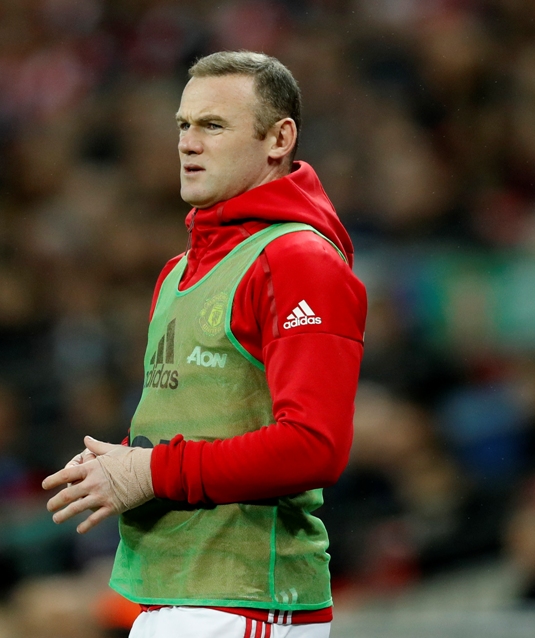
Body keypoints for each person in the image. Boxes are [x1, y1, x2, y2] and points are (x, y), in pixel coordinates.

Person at [42, 51, 367, 638]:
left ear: (279, 139)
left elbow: (315, 446)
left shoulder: (297, 260)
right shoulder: (178, 272)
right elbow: (212, 419)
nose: (188, 144)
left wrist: (151, 471)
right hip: (173, 595)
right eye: (183, 125)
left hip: (246, 601)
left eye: (213, 125)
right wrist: (121, 462)